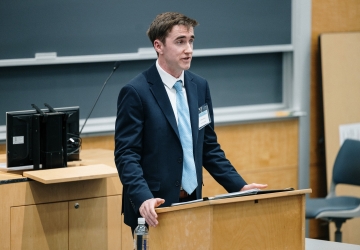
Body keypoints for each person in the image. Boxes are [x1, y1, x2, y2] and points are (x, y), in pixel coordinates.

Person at [114, 12, 267, 233]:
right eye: (180, 42)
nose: (189, 49)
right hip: (153, 208)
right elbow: (126, 154)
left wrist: (240, 186)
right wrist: (142, 198)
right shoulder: (136, 92)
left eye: (191, 40)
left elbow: (208, 147)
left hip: (192, 202)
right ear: (159, 46)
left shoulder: (199, 86)